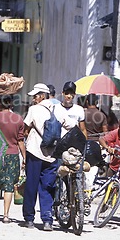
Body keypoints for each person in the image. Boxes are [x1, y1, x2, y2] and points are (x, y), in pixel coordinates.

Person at [22, 83, 72, 231]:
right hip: (53, 154)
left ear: (42, 96)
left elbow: (25, 129)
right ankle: (47, 220)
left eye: (35, 96)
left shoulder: (34, 109)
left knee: (31, 185)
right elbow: (70, 125)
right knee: (48, 186)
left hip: (35, 152)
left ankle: (29, 219)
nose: (33, 99)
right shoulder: (59, 109)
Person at [0, 95, 25, 224]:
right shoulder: (18, 119)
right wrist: (24, 157)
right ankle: (5, 215)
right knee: (9, 185)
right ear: (11, 104)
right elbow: (20, 141)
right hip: (12, 154)